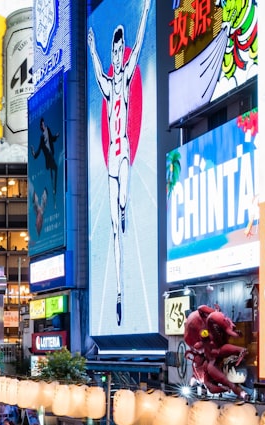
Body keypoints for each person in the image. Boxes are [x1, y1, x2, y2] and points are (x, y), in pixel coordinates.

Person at [88, 0, 152, 326]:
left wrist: (143, 15)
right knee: (114, 231)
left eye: (118, 51)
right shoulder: (107, 83)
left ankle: (125, 209)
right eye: (113, 52)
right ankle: (118, 295)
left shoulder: (125, 78)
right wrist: (91, 47)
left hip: (123, 151)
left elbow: (140, 45)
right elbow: (97, 68)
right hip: (112, 158)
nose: (117, 56)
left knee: (123, 204)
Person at [30, 117, 60, 204]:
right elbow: (38, 151)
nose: (42, 126)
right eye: (41, 125)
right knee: (53, 170)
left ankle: (54, 190)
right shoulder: (41, 138)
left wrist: (56, 136)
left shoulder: (48, 130)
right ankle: (52, 191)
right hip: (48, 158)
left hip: (51, 155)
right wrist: (33, 152)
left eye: (43, 124)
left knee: (55, 170)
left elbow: (52, 139)